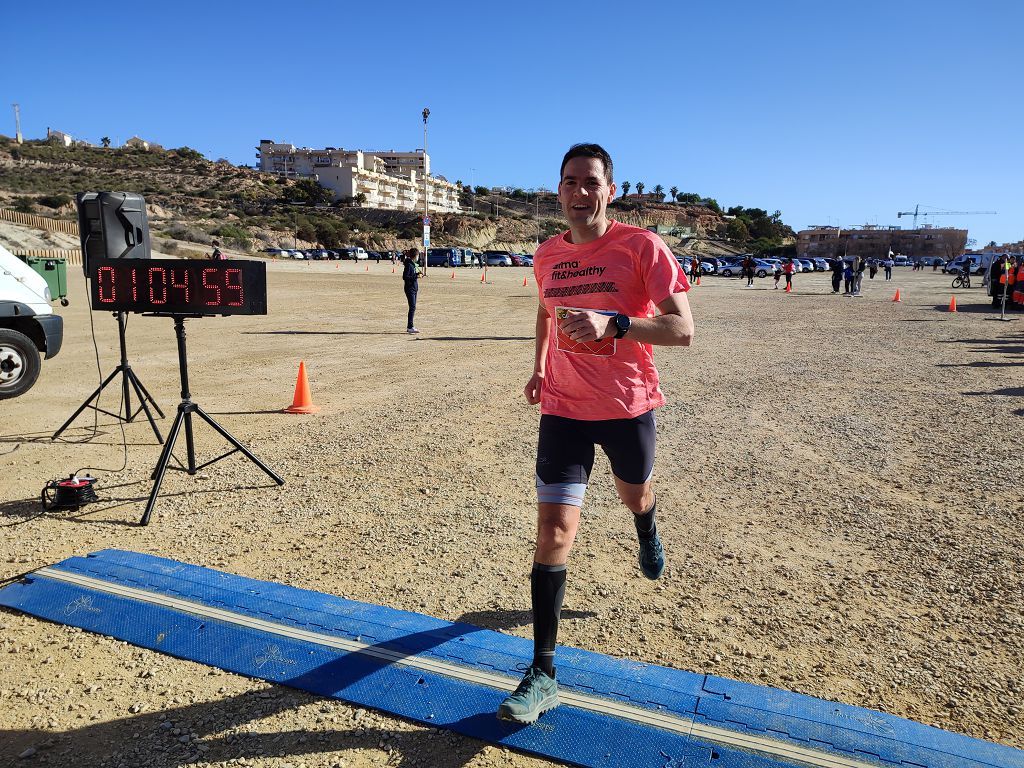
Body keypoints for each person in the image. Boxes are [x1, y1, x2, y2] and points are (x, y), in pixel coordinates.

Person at [497, 143, 693, 725]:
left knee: (635, 491)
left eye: (591, 183)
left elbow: (683, 329)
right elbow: (545, 312)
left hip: (627, 406)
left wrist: (618, 323)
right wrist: (537, 365)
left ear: (611, 189)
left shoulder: (641, 247)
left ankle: (646, 525)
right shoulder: (547, 255)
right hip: (563, 408)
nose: (579, 193)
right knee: (555, 527)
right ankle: (543, 672)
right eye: (569, 182)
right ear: (558, 191)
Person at [401, 248, 422, 333]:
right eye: (418, 256)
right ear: (415, 256)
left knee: (413, 307)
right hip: (410, 288)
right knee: (412, 307)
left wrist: (417, 274)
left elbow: (412, 274)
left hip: (414, 288)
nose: (418, 257)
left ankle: (410, 326)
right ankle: (410, 326)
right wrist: (416, 276)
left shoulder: (412, 264)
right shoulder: (409, 265)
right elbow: (405, 277)